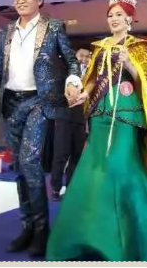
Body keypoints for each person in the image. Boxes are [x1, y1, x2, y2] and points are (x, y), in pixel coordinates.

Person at [46, 0, 147, 261]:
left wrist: (129, 62)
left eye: (119, 14)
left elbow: (145, 84)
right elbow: (93, 80)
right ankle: (91, 236)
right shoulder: (100, 47)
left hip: (127, 114)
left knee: (122, 166)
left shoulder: (138, 47)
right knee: (96, 169)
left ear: (129, 18)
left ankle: (139, 235)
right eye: (110, 15)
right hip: (101, 114)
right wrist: (82, 95)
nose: (114, 19)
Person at [0, 0, 82, 257]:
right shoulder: (6, 31)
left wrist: (73, 82)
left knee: (30, 162)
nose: (20, 1)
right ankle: (27, 227)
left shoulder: (53, 27)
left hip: (39, 100)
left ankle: (42, 230)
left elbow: (71, 61)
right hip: (11, 102)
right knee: (18, 167)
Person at [50, 47, 91, 201]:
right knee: (60, 154)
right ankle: (55, 188)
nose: (84, 59)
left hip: (81, 120)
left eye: (87, 56)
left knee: (76, 155)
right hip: (64, 118)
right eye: (81, 56)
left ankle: (71, 187)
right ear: (75, 56)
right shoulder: (66, 72)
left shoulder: (91, 75)